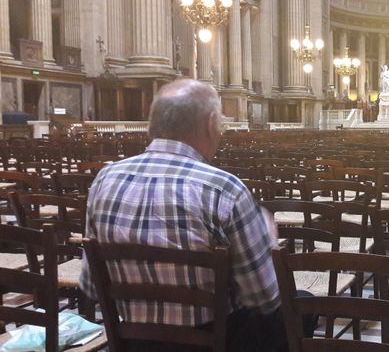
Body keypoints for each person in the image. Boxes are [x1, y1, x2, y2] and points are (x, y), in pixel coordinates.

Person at [80, 79, 302, 351]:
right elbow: (265, 298)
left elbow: (91, 287)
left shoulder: (105, 179)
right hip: (212, 342)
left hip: (134, 342)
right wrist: (266, 242)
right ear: (211, 124)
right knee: (301, 307)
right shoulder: (224, 189)